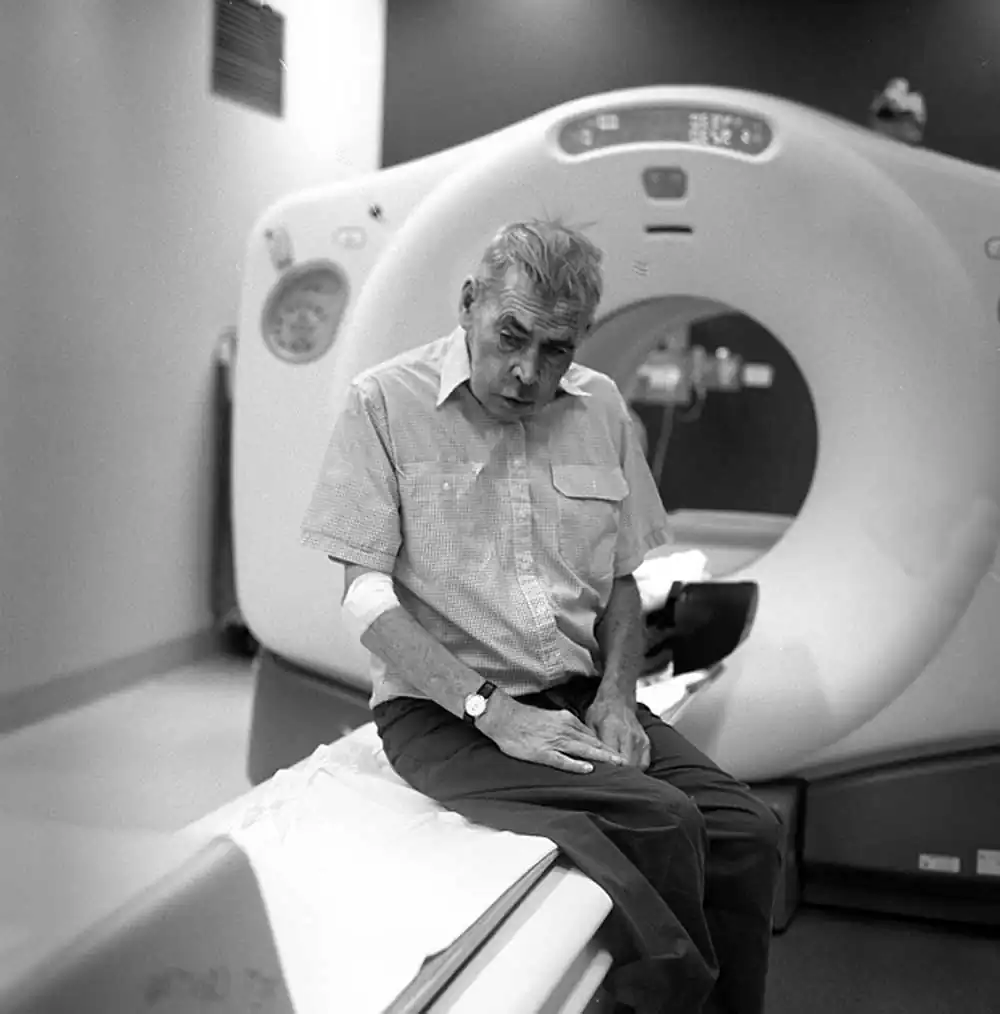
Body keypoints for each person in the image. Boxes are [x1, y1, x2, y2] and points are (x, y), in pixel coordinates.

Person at [300, 220, 782, 1014]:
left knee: (749, 831)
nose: (528, 372)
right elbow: (365, 598)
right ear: (469, 304)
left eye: (555, 349)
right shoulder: (383, 402)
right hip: (443, 715)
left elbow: (621, 580)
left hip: (579, 695)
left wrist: (618, 696)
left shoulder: (603, 409)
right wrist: (493, 712)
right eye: (510, 336)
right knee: (663, 822)